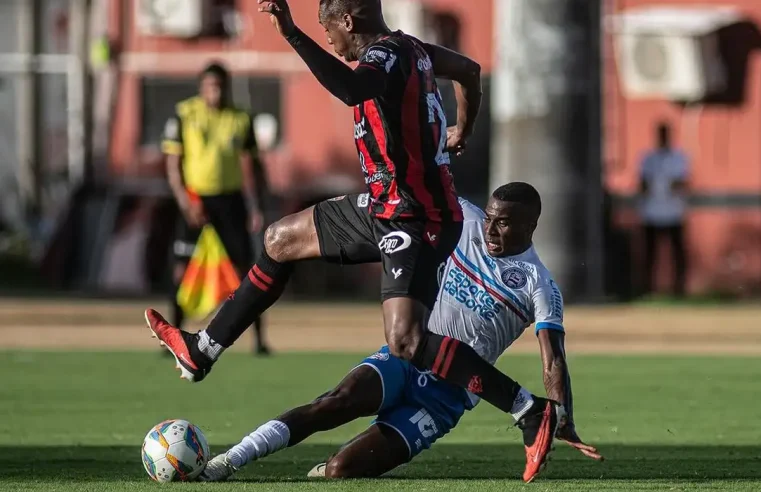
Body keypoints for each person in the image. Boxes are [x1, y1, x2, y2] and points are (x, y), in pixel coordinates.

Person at [145, 0, 562, 480]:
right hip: (384, 206)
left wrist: (292, 33)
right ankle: (203, 349)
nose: (329, 42)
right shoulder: (415, 51)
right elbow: (468, 70)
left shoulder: (384, 58)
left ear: (347, 21)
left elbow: (351, 89)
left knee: (405, 339)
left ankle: (527, 409)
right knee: (280, 240)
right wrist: (461, 128)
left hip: (417, 216)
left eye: (328, 31)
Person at [199, 184, 603, 483]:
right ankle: (231, 460)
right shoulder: (464, 220)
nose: (491, 229)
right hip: (405, 357)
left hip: (446, 398)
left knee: (342, 471)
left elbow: (554, 359)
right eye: (491, 217)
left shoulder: (539, 284)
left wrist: (562, 414)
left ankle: (333, 467)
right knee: (335, 403)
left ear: (531, 225)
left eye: (504, 223)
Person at [161, 62, 271, 355]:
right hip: (195, 200)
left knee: (248, 271)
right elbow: (173, 165)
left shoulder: (239, 119)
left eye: (220, 86)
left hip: (230, 201)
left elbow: (251, 166)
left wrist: (255, 207)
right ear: (201, 87)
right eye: (210, 86)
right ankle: (174, 336)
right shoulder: (185, 114)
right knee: (181, 270)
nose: (215, 92)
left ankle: (258, 339)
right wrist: (186, 203)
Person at [638, 121, 689, 297]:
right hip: (651, 212)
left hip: (674, 212)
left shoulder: (678, 157)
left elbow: (681, 182)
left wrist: (660, 184)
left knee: (678, 254)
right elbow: (642, 184)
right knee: (650, 254)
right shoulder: (648, 158)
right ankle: (647, 289)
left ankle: (679, 289)